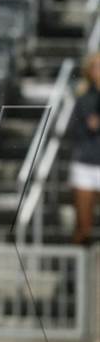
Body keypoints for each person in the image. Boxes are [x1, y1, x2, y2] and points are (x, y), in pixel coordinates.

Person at [69, 51, 100, 245]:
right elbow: (83, 127)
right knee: (83, 226)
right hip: (86, 163)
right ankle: (77, 273)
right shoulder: (83, 97)